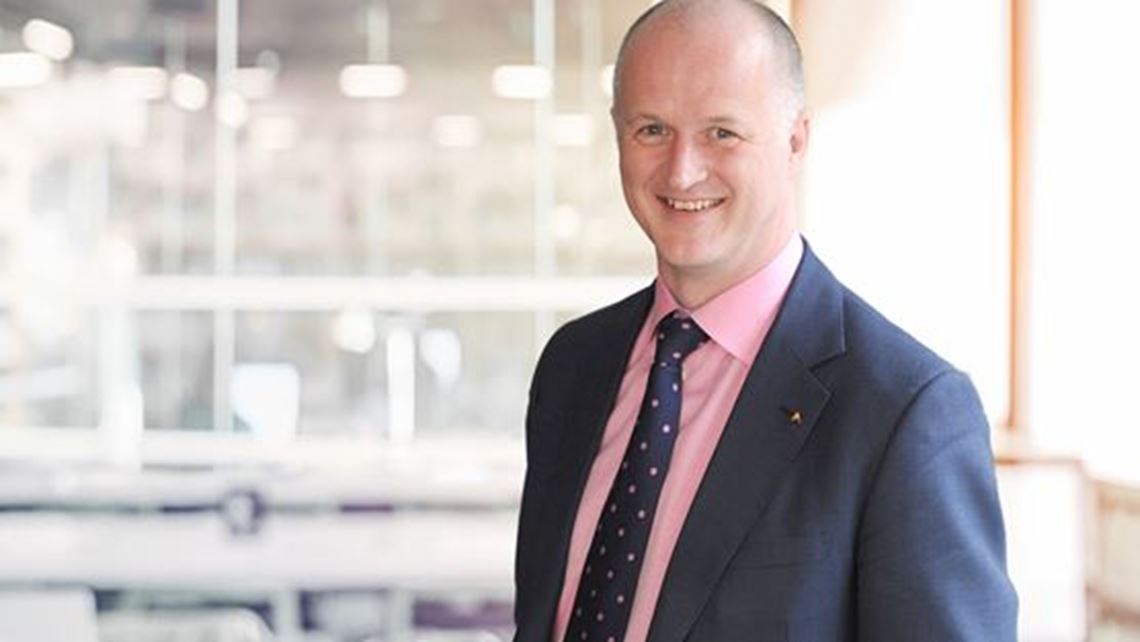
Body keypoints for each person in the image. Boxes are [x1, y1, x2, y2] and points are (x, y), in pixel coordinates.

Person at [513, 0, 1018, 640]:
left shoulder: (905, 410)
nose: (682, 171)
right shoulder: (573, 366)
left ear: (795, 141)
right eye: (652, 129)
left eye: (722, 132)